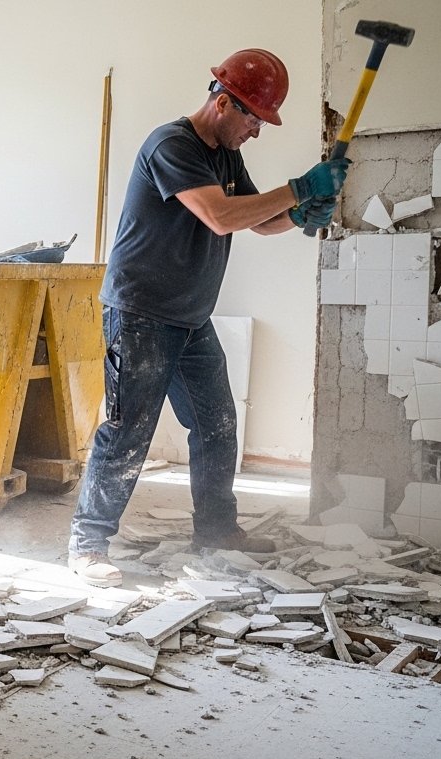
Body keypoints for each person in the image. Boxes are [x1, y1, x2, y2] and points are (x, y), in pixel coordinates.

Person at [67, 48, 347, 587]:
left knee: (217, 426)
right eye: (254, 119)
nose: (257, 132)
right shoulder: (171, 144)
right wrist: (298, 188)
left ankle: (216, 530)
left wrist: (296, 215)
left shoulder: (225, 155)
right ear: (223, 102)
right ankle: (88, 544)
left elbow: (254, 222)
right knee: (128, 432)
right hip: (142, 313)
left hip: (191, 316)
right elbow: (219, 217)